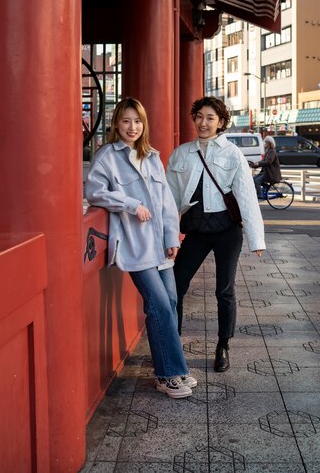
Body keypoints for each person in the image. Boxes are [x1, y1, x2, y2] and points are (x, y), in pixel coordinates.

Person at [85, 97, 196, 399]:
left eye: (137, 121)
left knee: (170, 302)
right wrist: (131, 205)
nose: (132, 127)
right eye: (126, 121)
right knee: (158, 305)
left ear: (144, 124)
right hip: (135, 246)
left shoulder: (152, 157)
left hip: (160, 245)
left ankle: (172, 367)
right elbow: (94, 192)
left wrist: (172, 237)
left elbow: (166, 203)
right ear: (116, 124)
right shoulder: (107, 156)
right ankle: (169, 374)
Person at [166, 96, 265, 373]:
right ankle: (173, 342)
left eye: (210, 118)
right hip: (196, 231)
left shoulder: (232, 153)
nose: (203, 122)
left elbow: (246, 197)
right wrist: (167, 235)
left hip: (227, 232)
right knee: (176, 284)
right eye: (199, 116)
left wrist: (257, 239)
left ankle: (223, 345)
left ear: (221, 122)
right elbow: (169, 199)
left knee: (224, 290)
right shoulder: (181, 154)